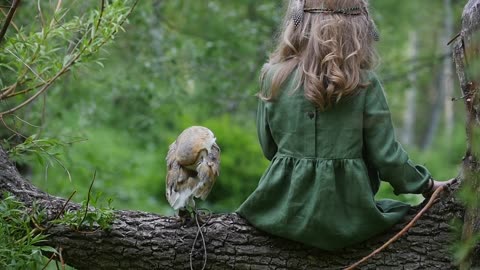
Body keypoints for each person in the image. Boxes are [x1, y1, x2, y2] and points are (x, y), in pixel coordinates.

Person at [236, 0, 455, 251]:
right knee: (399, 213)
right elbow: (387, 158)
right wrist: (426, 185)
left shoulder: (271, 76)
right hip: (349, 220)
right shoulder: (364, 84)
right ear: (357, 30)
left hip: (280, 213)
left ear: (296, 23)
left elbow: (269, 149)